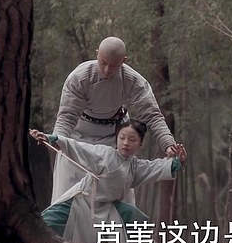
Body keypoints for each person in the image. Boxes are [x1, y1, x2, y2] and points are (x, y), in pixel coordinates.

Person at [49, 36, 178, 203]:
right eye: (103, 62)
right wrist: (57, 139)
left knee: (119, 185)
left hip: (115, 136)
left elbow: (152, 115)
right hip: (78, 135)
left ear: (124, 61)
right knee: (67, 191)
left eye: (114, 65)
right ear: (97, 54)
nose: (107, 70)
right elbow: (67, 115)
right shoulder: (79, 77)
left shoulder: (133, 80)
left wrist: (168, 143)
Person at [30, 120, 186, 243]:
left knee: (135, 218)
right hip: (82, 201)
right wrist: (51, 138)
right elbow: (77, 147)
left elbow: (157, 167)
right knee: (45, 222)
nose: (126, 143)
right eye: (122, 138)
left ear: (140, 144)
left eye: (132, 139)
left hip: (109, 208)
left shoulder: (135, 166)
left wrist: (177, 161)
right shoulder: (104, 154)